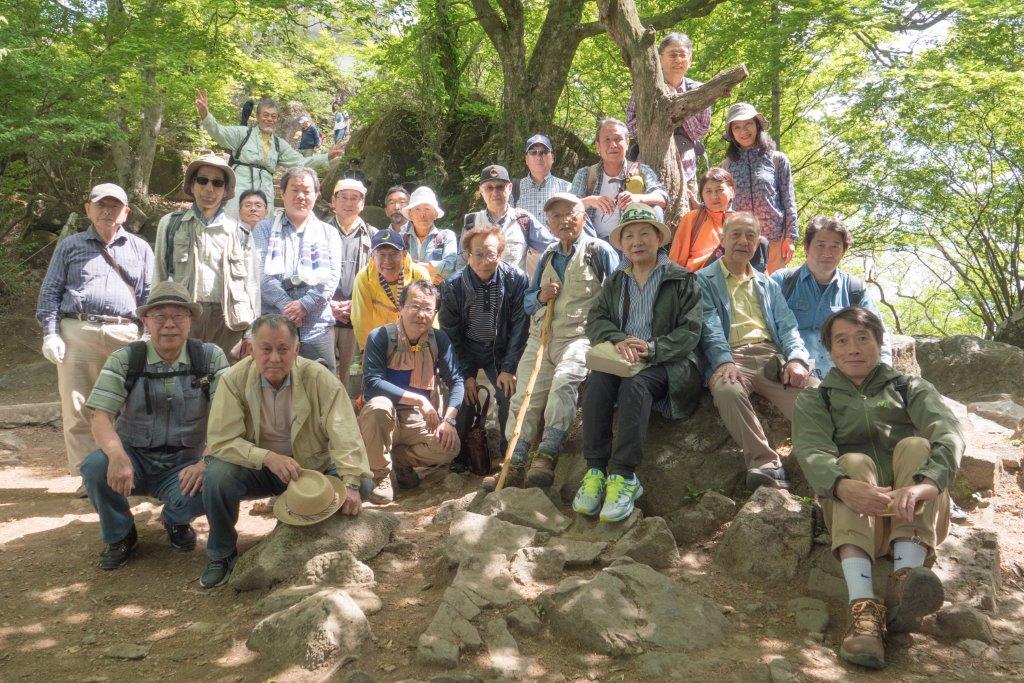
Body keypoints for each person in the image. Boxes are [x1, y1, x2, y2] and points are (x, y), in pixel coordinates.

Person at [792, 307, 963, 669]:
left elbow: (947, 433)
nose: (853, 348)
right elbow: (811, 451)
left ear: (879, 342)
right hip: (856, 517)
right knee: (850, 464)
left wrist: (927, 485)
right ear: (829, 351)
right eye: (842, 340)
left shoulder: (910, 387)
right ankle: (864, 614)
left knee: (917, 446)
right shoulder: (816, 398)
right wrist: (841, 486)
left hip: (915, 512)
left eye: (862, 338)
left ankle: (904, 581)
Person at [202, 314, 372, 588]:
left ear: (297, 350)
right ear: (251, 349)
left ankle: (287, 534)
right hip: (259, 468)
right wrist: (267, 457)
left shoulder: (319, 378)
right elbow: (222, 440)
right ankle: (220, 553)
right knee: (217, 474)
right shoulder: (233, 380)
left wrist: (350, 482)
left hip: (311, 467)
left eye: (283, 349)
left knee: (361, 484)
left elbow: (345, 433)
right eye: (265, 349)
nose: (274, 358)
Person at [80, 282, 228, 569]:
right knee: (95, 467)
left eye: (179, 317)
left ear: (190, 321)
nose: (169, 325)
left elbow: (228, 416)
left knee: (217, 479)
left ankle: (175, 520)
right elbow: (100, 416)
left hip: (184, 465)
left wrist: (206, 461)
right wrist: (117, 455)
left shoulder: (209, 358)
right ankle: (121, 534)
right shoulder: (126, 359)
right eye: (160, 317)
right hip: (133, 459)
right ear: (146, 321)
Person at [576, 204, 703, 521]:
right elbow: (596, 320)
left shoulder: (681, 278)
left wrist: (652, 348)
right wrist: (618, 339)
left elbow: (691, 331)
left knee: (636, 384)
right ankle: (595, 472)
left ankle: (623, 476)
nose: (636, 241)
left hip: (667, 364)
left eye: (645, 233)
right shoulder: (617, 280)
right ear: (621, 243)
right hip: (622, 360)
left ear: (659, 238)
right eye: (629, 235)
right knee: (596, 382)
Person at [36, 183, 153, 495]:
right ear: (88, 209)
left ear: (125, 213)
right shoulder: (70, 246)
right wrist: (51, 333)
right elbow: (50, 292)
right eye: (101, 205)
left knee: (131, 405)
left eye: (114, 206)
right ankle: (90, 476)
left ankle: (127, 470)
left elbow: (149, 296)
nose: (107, 211)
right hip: (78, 332)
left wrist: (148, 335)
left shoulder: (141, 249)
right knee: (77, 405)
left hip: (125, 333)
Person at [502, 192, 619, 488]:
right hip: (541, 338)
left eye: (570, 213)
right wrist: (541, 296)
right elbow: (528, 303)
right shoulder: (548, 256)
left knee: (564, 384)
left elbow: (619, 296)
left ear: (583, 216)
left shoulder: (599, 251)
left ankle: (547, 455)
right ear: (549, 224)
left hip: (579, 337)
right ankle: (513, 461)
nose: (563, 220)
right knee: (524, 397)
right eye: (555, 216)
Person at [696, 212, 813, 490]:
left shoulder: (767, 283)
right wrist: (723, 361)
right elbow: (708, 324)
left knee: (814, 396)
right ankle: (764, 462)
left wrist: (796, 358)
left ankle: (824, 458)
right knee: (727, 391)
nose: (743, 241)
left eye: (750, 235)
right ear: (722, 239)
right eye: (735, 234)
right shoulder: (703, 280)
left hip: (770, 356)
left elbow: (787, 326)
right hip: (731, 356)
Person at [358, 281, 464, 503]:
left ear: (435, 312)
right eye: (414, 306)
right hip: (383, 418)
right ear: (401, 306)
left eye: (428, 309)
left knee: (448, 448)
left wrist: (449, 421)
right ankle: (381, 476)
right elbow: (373, 382)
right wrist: (420, 400)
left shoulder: (438, 340)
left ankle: (400, 461)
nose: (421, 314)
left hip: (416, 419)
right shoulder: (380, 336)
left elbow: (456, 380)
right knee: (379, 405)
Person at [439, 225, 530, 469]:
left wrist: (509, 367)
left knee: (508, 394)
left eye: (491, 253)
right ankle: (459, 456)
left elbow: (520, 325)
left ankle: (507, 452)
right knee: (463, 397)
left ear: (500, 254)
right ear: (468, 254)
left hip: (498, 349)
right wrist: (466, 374)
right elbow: (451, 335)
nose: (484, 260)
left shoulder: (516, 279)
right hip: (465, 348)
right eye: (478, 253)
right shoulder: (452, 286)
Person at [154, 155, 259, 359]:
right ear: (192, 185)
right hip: (182, 315)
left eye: (217, 183)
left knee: (225, 383)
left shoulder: (241, 231)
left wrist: (251, 331)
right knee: (181, 380)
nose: (209, 189)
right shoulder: (170, 224)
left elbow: (252, 284)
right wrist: (155, 320)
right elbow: (159, 274)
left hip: (228, 320)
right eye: (202, 180)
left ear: (225, 191)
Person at [772, 216, 892, 379]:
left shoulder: (854, 289)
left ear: (843, 251)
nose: (827, 253)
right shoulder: (782, 281)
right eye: (820, 245)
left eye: (835, 246)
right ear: (807, 247)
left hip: (842, 377)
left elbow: (878, 334)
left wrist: (884, 373)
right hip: (794, 373)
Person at [195, 91, 343, 217]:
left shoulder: (279, 145)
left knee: (262, 234)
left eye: (273, 116)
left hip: (264, 194)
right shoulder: (243, 134)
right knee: (232, 230)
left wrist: (326, 156)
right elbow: (218, 132)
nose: (269, 119)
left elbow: (301, 162)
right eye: (266, 115)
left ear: (277, 119)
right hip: (238, 192)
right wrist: (206, 116)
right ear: (258, 117)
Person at [253, 167, 342, 373]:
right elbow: (261, 274)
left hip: (316, 326)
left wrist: (305, 305)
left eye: (307, 191)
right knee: (273, 390)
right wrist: (288, 307)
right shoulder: (264, 229)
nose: (301, 196)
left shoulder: (329, 233)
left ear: (317, 196)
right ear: (282, 193)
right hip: (272, 326)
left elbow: (331, 278)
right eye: (295, 189)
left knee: (322, 391)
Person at [625, 32, 711, 207]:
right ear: (660, 57)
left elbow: (700, 130)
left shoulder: (699, 90)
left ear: (690, 59)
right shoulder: (645, 88)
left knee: (685, 222)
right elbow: (630, 127)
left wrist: (677, 102)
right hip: (648, 167)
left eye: (682, 55)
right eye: (672, 54)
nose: (678, 60)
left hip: (685, 170)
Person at [719, 102, 798, 274]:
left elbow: (789, 200)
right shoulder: (726, 166)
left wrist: (790, 238)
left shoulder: (777, 160)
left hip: (775, 240)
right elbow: (721, 207)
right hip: (741, 243)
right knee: (745, 294)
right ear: (731, 133)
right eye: (737, 127)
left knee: (774, 292)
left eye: (748, 124)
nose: (743, 131)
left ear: (757, 125)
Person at [571, 118, 668, 242]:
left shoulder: (641, 171)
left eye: (618, 139)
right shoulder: (586, 174)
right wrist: (590, 201)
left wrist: (638, 198)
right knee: (576, 210)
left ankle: (650, 257)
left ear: (627, 143)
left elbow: (662, 198)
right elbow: (568, 208)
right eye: (607, 140)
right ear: (598, 146)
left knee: (656, 210)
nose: (613, 145)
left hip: (630, 244)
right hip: (592, 243)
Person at [325, 178, 378, 381]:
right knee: (323, 374)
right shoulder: (319, 231)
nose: (349, 203)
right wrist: (327, 303)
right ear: (333, 201)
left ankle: (348, 412)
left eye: (354, 198)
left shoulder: (373, 236)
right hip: (324, 315)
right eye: (343, 197)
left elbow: (376, 277)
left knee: (353, 377)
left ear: (362, 204)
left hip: (357, 317)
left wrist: (355, 304)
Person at [462, 165, 556, 277]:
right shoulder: (471, 221)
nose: (495, 192)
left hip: (515, 292)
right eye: (489, 188)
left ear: (510, 188)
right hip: (479, 292)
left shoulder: (523, 220)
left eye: (500, 187)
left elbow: (553, 248)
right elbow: (461, 262)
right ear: (481, 191)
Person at [350, 228, 433, 352]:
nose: (387, 261)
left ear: (404, 255)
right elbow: (361, 319)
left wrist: (428, 347)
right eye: (381, 254)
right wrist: (367, 350)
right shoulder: (364, 277)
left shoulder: (419, 274)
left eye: (394, 254)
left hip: (414, 341)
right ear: (372, 256)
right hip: (379, 341)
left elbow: (429, 313)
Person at [668, 167, 735, 272]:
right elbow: (677, 258)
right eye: (708, 191)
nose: (714, 196)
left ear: (732, 192)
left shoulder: (737, 221)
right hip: (699, 277)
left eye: (719, 190)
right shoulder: (692, 219)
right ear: (702, 196)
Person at [400, 186, 458, 285]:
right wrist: (430, 274)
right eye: (417, 209)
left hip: (438, 297)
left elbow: (449, 267)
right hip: (409, 297)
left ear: (435, 214)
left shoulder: (447, 236)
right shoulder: (401, 239)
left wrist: (410, 266)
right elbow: (395, 268)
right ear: (410, 215)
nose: (422, 215)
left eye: (427, 209)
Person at [511, 134, 571, 226]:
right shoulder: (512, 189)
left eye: (544, 152)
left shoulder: (568, 189)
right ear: (526, 159)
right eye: (533, 152)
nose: (538, 157)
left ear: (553, 157)